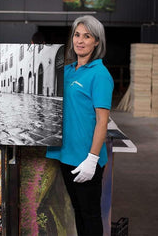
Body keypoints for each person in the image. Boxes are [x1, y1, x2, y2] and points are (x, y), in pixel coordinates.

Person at [46, 15, 114, 236]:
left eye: (87, 36)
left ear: (97, 42)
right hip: (66, 155)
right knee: (78, 210)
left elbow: (102, 121)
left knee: (91, 214)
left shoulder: (100, 75)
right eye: (77, 35)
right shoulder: (66, 71)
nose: (80, 40)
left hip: (87, 159)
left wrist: (92, 160)